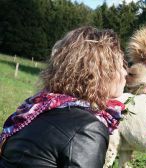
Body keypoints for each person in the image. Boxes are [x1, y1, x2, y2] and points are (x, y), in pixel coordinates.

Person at [0, 26, 127, 167]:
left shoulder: (33, 111)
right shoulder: (87, 128)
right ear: (101, 74)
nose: (125, 73)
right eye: (121, 66)